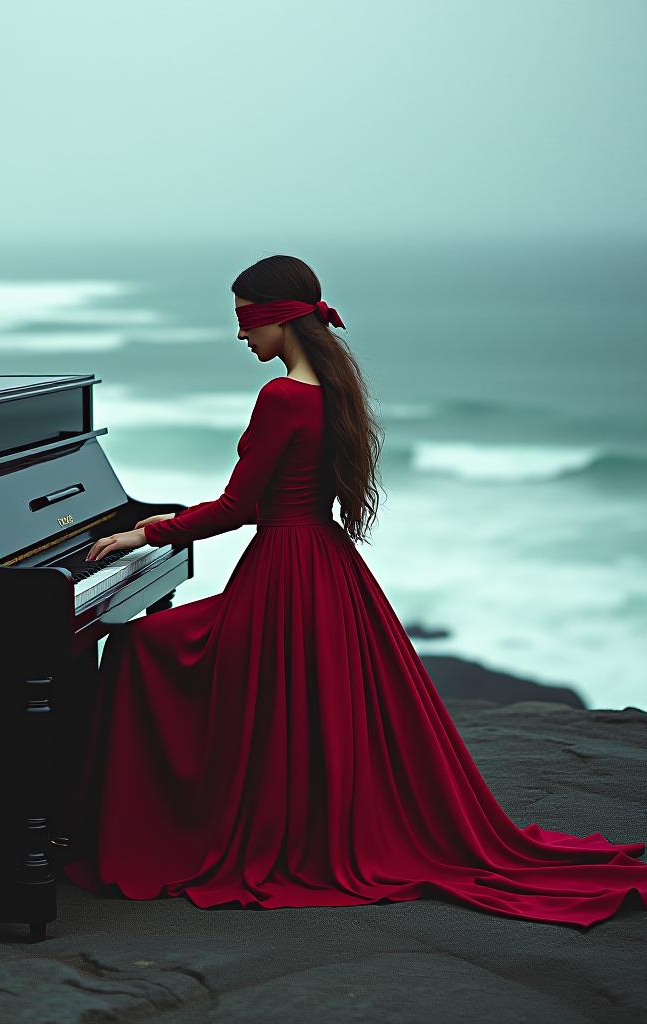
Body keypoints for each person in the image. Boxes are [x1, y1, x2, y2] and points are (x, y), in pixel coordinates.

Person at [61, 254, 647, 927]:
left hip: (283, 573)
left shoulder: (281, 396)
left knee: (139, 647)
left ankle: (120, 827)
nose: (240, 336)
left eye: (245, 321)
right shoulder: (333, 387)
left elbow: (239, 506)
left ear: (279, 320)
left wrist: (149, 534)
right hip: (327, 570)